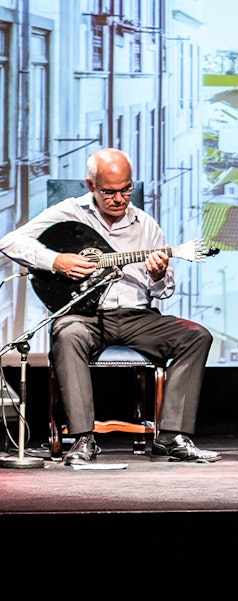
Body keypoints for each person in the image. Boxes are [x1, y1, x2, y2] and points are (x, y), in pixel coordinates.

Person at [0, 148, 219, 464]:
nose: (120, 199)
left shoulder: (146, 224)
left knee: (196, 335)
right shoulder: (70, 211)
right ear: (91, 186)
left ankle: (171, 437)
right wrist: (56, 261)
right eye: (110, 192)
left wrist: (157, 275)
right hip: (84, 316)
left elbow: (163, 291)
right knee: (67, 333)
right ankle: (83, 439)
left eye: (126, 189)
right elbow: (10, 242)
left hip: (136, 316)